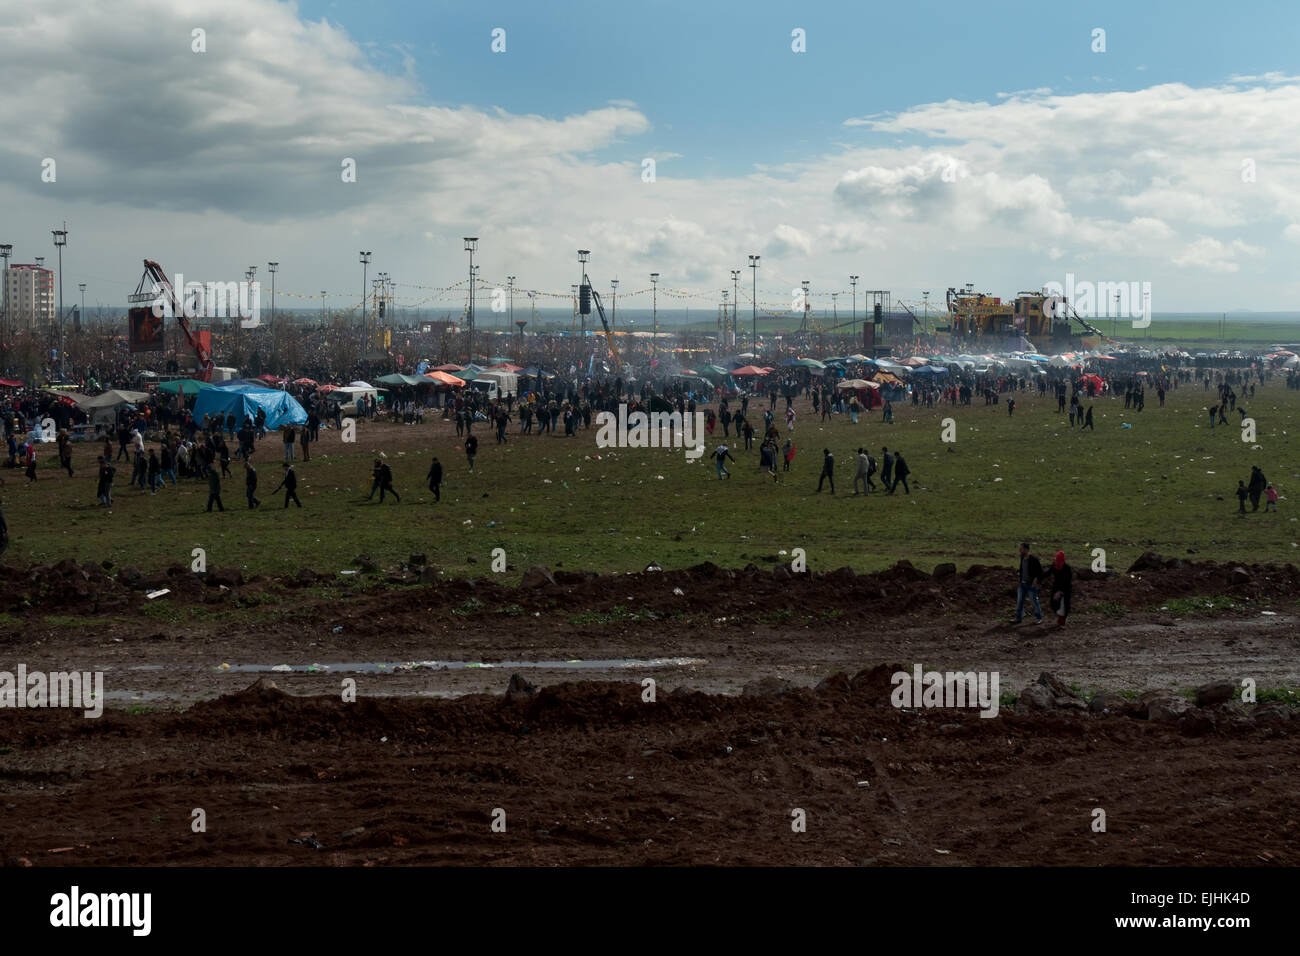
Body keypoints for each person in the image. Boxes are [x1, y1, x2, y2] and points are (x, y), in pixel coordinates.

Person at [1013, 543, 1044, 625]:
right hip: (1022, 584)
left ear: (1026, 549)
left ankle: (1039, 618)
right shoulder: (1022, 558)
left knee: (1034, 602)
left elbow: (1040, 572)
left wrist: (1036, 580)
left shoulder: (1034, 559)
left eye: (1021, 548)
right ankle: (1018, 618)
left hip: (1030, 585)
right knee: (1019, 601)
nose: (1020, 550)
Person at [1047, 551, 1072, 626]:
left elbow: (1068, 582)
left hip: (1065, 590)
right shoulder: (1054, 566)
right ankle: (1060, 619)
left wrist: (1061, 592)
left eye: (1056, 559)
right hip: (1056, 588)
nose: (1055, 560)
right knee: (1053, 604)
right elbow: (1047, 573)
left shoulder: (1067, 569)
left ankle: (1062, 621)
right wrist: (1038, 578)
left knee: (1063, 606)